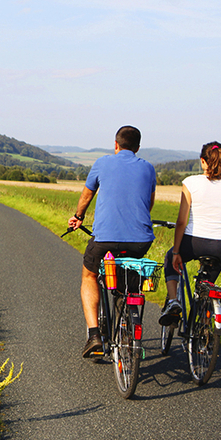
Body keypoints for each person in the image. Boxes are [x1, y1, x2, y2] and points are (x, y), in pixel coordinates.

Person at [68, 126, 158, 358]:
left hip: (105, 239)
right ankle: (128, 316)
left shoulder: (102, 163)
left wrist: (78, 217)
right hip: (140, 240)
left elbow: (87, 195)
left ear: (115, 145)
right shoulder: (148, 168)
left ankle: (94, 335)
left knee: (89, 276)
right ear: (138, 148)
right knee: (128, 277)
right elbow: (148, 204)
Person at [159, 142, 221, 325]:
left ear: (203, 161)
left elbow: (181, 221)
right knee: (206, 285)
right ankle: (202, 323)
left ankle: (173, 301)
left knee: (170, 257)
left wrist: (177, 251)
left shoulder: (190, 182)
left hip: (194, 242)